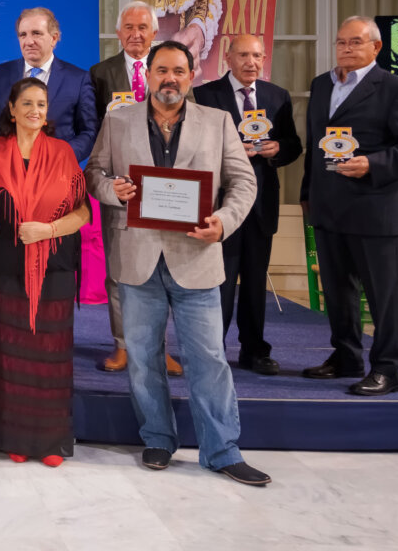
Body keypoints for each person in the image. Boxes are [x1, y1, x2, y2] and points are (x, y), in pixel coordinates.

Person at [85, 40, 270, 487]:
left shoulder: (218, 121)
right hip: (138, 257)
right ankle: (158, 439)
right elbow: (94, 173)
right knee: (144, 359)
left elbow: (244, 182)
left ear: (192, 76)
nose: (170, 79)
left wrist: (223, 224)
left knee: (209, 359)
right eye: (161, 70)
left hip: (198, 256)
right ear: (147, 75)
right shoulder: (118, 119)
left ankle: (222, 450)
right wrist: (114, 191)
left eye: (179, 72)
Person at [300, 17, 398, 396]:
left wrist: (373, 164)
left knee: (383, 296)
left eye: (355, 42)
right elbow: (315, 144)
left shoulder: (394, 89)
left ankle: (387, 369)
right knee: (338, 293)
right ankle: (346, 357)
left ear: (375, 47)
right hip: (328, 208)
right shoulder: (321, 85)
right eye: (341, 42)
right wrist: (307, 194)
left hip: (374, 210)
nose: (346, 49)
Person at [0, 77, 89, 467]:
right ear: (11, 108)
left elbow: (83, 212)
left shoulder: (63, 154)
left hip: (53, 271)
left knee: (48, 358)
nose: (35, 110)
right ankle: (13, 437)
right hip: (4, 271)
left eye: (41, 104)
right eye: (27, 103)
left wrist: (48, 230)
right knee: (8, 358)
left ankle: (49, 440)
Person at [194, 34, 302, 374]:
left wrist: (277, 151)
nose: (251, 62)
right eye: (243, 55)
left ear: (264, 58)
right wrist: (225, 151)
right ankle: (213, 352)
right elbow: (193, 147)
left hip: (260, 206)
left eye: (256, 55)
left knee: (255, 283)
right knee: (219, 284)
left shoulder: (277, 96)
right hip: (220, 205)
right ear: (228, 57)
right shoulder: (204, 95)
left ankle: (255, 350)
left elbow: (293, 145)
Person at [89, 1, 183, 375]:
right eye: (128, 27)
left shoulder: (170, 70)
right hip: (121, 186)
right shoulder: (100, 74)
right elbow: (95, 131)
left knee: (161, 272)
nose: (135, 34)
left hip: (166, 187)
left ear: (154, 31)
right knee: (120, 271)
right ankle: (123, 346)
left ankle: (158, 348)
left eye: (142, 27)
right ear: (118, 33)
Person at [0, 6, 97, 162]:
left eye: (36, 33)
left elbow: (89, 132)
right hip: (7, 173)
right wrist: (2, 154)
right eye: (23, 35)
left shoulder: (78, 79)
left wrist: (61, 156)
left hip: (57, 173)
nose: (29, 41)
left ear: (54, 38)